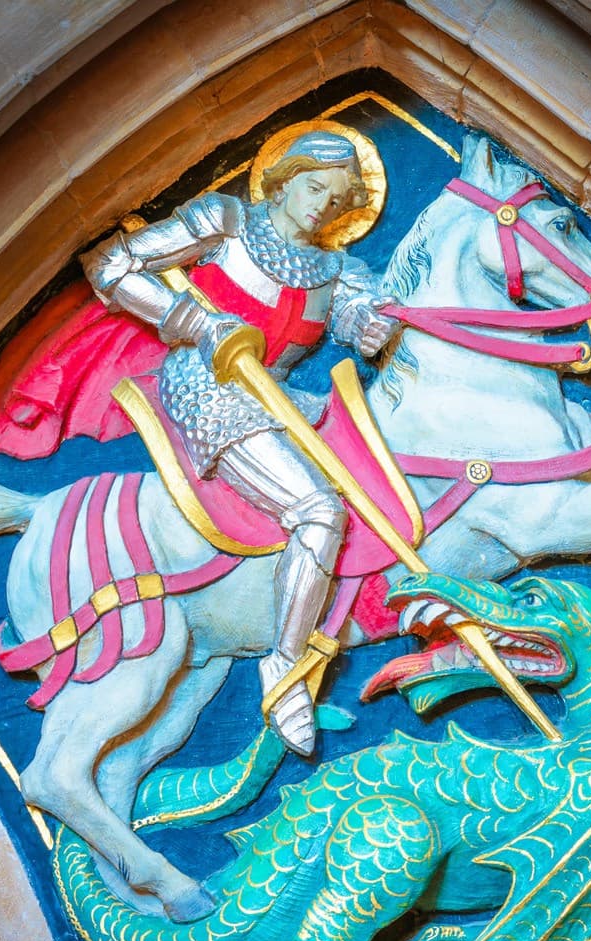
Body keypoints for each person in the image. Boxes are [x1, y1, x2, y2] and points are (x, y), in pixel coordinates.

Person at [79, 131, 397, 753]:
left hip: (284, 400)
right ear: (283, 179)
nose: (322, 209)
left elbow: (357, 322)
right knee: (318, 509)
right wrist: (191, 321)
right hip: (210, 385)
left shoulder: (339, 270)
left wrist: (371, 324)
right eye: (314, 189)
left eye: (337, 203)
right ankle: (285, 664)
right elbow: (109, 265)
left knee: (383, 475)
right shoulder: (223, 221)